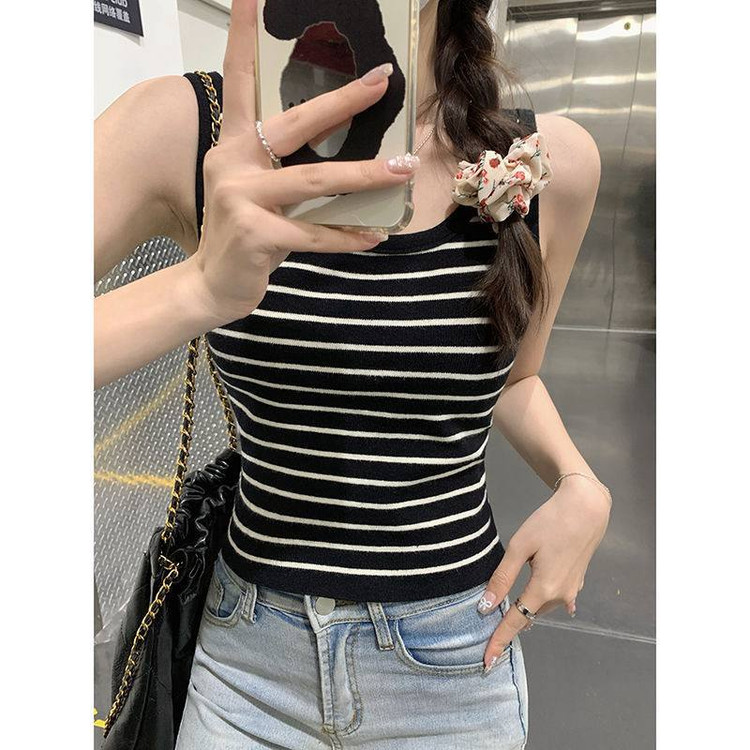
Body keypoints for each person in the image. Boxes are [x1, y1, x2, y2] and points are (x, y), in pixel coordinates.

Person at [95, 1, 611, 747]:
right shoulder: (190, 129)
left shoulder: (546, 160)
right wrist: (196, 289)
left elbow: (517, 379)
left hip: (453, 669)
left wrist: (580, 482)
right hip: (246, 669)